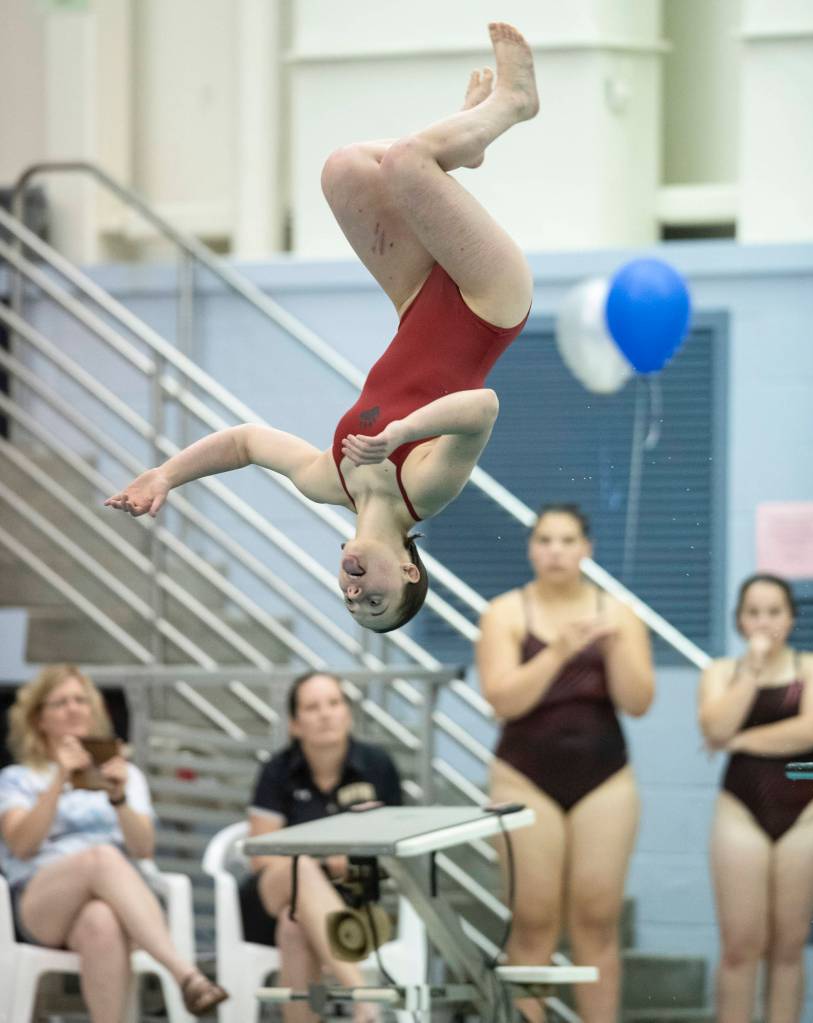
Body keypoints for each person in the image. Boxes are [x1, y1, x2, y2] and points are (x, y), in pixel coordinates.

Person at [104, 22, 538, 634]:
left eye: (352, 604)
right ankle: (512, 106)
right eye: (376, 602)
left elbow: (247, 442)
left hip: (417, 298)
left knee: (345, 169)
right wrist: (403, 434)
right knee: (409, 163)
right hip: (488, 304)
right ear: (410, 572)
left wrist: (165, 475)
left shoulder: (326, 480)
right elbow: (483, 407)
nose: (357, 594)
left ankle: (459, 150)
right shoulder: (425, 491)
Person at [477, 504, 654, 1023]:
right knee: (533, 921)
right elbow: (502, 701)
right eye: (545, 540)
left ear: (586, 549)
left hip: (605, 779)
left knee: (597, 920)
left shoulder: (619, 613)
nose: (555, 551)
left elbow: (639, 702)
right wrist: (558, 651)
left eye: (567, 540)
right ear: (532, 549)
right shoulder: (505, 613)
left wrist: (615, 643)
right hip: (524, 775)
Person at [0, 664, 228, 1019]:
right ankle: (185, 973)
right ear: (39, 719)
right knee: (101, 856)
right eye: (60, 703)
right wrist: (61, 777)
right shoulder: (18, 779)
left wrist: (119, 796)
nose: (74, 708)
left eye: (81, 700)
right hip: (42, 902)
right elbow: (21, 845)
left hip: (119, 903)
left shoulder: (124, 774)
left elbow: (143, 849)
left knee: (101, 922)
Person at [699, 573, 813, 1023]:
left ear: (792, 617)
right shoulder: (720, 672)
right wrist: (754, 672)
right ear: (739, 620)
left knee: (788, 946)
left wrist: (741, 742)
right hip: (740, 808)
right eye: (753, 613)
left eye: (774, 612)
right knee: (740, 946)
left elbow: (812, 730)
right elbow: (715, 729)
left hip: (807, 812)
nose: (764, 622)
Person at [242, 671, 403, 1023]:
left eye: (334, 703)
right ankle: (364, 997)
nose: (326, 714)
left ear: (348, 712)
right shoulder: (277, 771)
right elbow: (261, 857)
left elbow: (399, 845)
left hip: (351, 900)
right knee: (300, 868)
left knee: (295, 924)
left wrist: (358, 858)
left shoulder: (378, 767)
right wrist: (322, 863)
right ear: (295, 724)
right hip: (274, 891)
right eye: (312, 707)